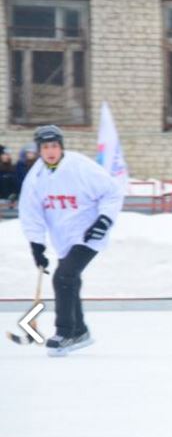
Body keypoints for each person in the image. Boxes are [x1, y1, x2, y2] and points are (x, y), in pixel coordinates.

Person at [18, 124, 124, 356]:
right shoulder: (36, 177)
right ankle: (80, 330)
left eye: (54, 145)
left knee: (63, 276)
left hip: (89, 234)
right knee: (69, 277)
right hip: (64, 238)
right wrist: (37, 246)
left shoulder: (80, 166)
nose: (50, 151)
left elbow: (112, 192)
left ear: (61, 147)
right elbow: (30, 213)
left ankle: (65, 332)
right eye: (45, 147)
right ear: (39, 150)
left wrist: (104, 221)